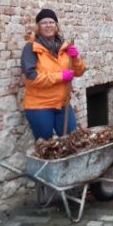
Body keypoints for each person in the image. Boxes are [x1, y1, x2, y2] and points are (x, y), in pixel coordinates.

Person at [21, 9, 87, 140]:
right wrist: (61, 77)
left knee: (73, 141)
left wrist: (75, 58)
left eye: (51, 22)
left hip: (63, 104)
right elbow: (31, 78)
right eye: (44, 23)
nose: (48, 25)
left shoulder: (64, 47)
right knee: (46, 146)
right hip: (40, 107)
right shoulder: (31, 48)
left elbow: (79, 72)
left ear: (56, 26)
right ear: (38, 27)